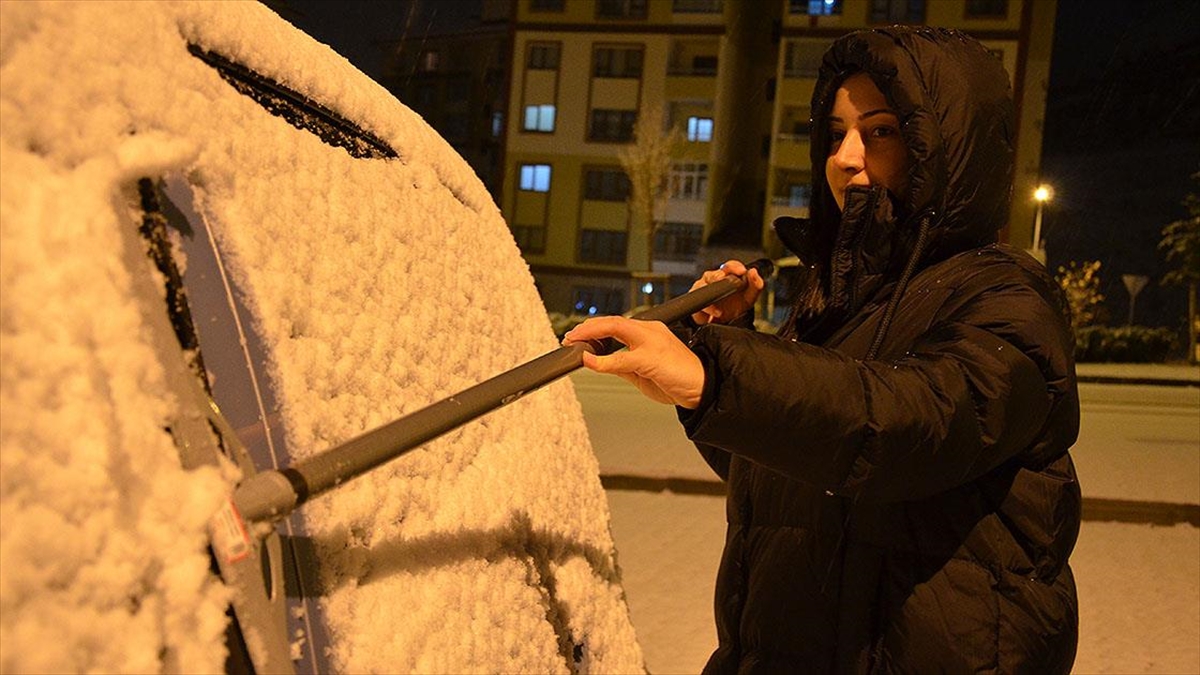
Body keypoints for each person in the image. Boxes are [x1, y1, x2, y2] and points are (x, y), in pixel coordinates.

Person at [564, 26, 1081, 674]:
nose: (844, 156)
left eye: (880, 131)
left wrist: (722, 375)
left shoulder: (1007, 297)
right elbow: (792, 473)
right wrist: (721, 344)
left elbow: (905, 424)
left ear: (947, 148)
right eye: (835, 133)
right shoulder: (838, 303)